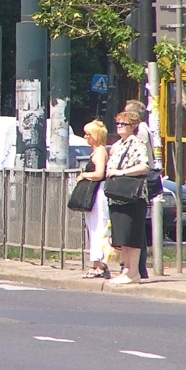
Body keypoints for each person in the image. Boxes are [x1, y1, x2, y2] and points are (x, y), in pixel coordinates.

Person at [105, 110, 151, 285]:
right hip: (117, 196)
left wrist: (121, 172)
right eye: (118, 124)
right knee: (121, 236)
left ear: (133, 126)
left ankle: (133, 272)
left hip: (132, 196)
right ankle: (126, 270)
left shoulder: (137, 144)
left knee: (132, 235)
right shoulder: (119, 144)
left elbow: (144, 167)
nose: (119, 127)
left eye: (123, 124)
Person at [75, 119, 111, 279]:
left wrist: (84, 175)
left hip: (99, 194)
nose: (85, 137)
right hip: (93, 194)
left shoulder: (101, 151)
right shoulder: (95, 152)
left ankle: (101, 265)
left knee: (99, 227)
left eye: (88, 134)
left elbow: (99, 173)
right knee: (93, 228)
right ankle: (96, 263)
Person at [125, 99, 153, 280]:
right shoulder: (143, 129)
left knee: (135, 225)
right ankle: (134, 266)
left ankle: (138, 268)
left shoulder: (140, 131)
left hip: (138, 181)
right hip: (135, 180)